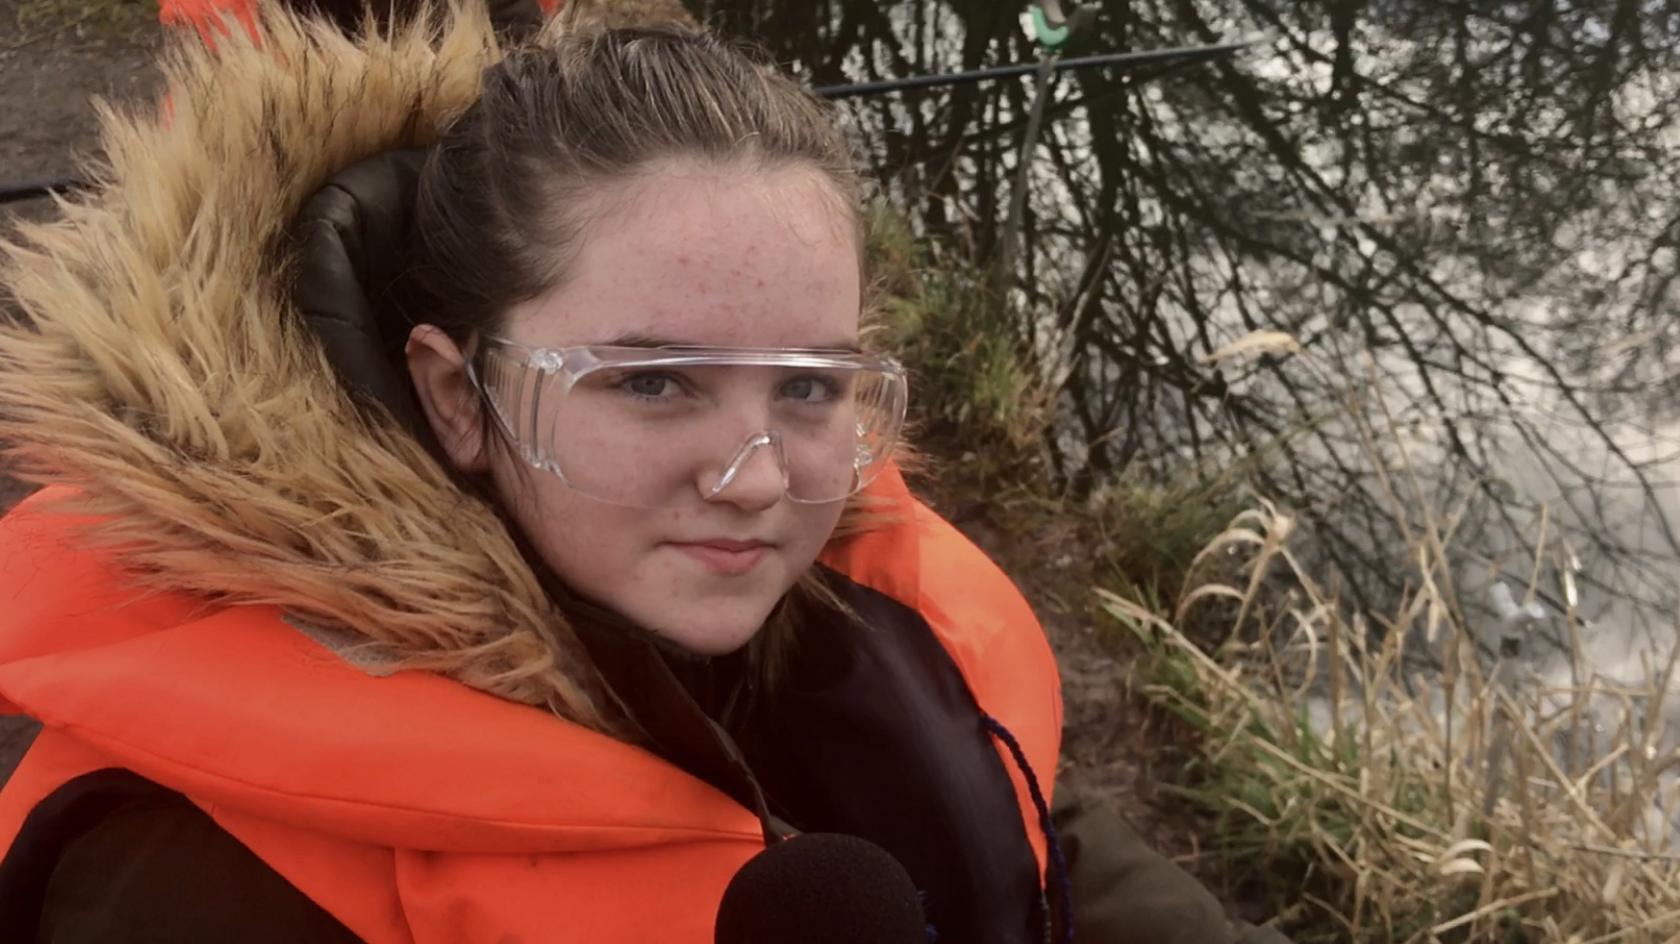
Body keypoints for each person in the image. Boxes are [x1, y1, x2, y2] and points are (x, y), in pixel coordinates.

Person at [0, 6, 1289, 942]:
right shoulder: (183, 872)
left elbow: (1048, 848)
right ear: (461, 396)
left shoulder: (870, 624)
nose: (753, 479)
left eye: (807, 385)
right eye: (651, 382)